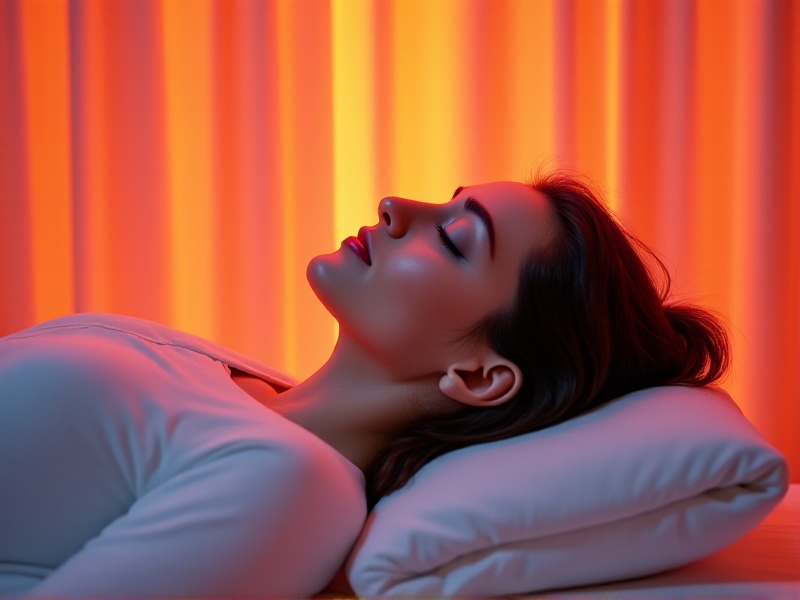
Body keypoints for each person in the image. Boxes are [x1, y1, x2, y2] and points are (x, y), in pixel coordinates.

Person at [0, 172, 729, 598]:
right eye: (443, 203)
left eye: (453, 239)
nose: (395, 206)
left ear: (480, 376)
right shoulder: (235, 378)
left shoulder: (289, 485)